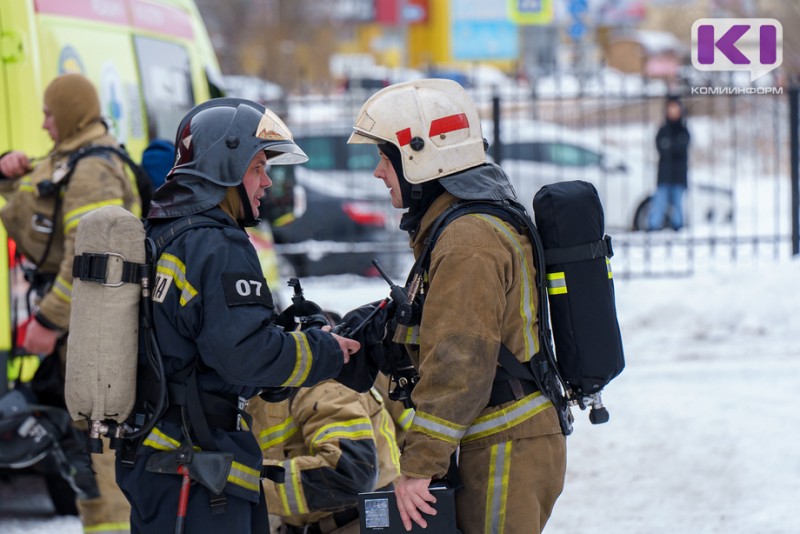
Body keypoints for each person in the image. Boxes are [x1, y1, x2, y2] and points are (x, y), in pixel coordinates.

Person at [114, 97, 360, 533]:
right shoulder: (217, 244)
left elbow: (206, 344)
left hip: (164, 458)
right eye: (258, 167)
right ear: (225, 168)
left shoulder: (167, 232)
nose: (266, 182)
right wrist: (324, 350)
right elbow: (244, 357)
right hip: (197, 471)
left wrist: (278, 332)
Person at [347, 79, 567, 534]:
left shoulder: (467, 240)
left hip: (504, 442)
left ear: (416, 159)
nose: (377, 173)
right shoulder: (460, 228)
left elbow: (460, 359)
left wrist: (418, 468)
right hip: (497, 437)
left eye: (383, 159)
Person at [0, 72, 140, 532]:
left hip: (95, 339)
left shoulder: (93, 170)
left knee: (102, 463)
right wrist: (7, 173)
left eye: (48, 113)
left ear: (68, 113)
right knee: (86, 461)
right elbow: (31, 218)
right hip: (80, 336)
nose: (43, 124)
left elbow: (90, 261)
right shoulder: (70, 159)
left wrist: (47, 319)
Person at [248, 378, 401, 534]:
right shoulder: (254, 399)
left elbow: (350, 475)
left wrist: (243, 484)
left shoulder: (321, 386)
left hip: (362, 523)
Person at [648, 95, 691, 231]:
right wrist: (672, 146)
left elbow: (680, 148)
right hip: (664, 175)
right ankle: (653, 229)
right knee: (659, 204)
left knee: (678, 206)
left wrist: (670, 146)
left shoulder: (683, 130)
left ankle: (678, 229)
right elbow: (661, 148)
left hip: (679, 175)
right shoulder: (663, 130)